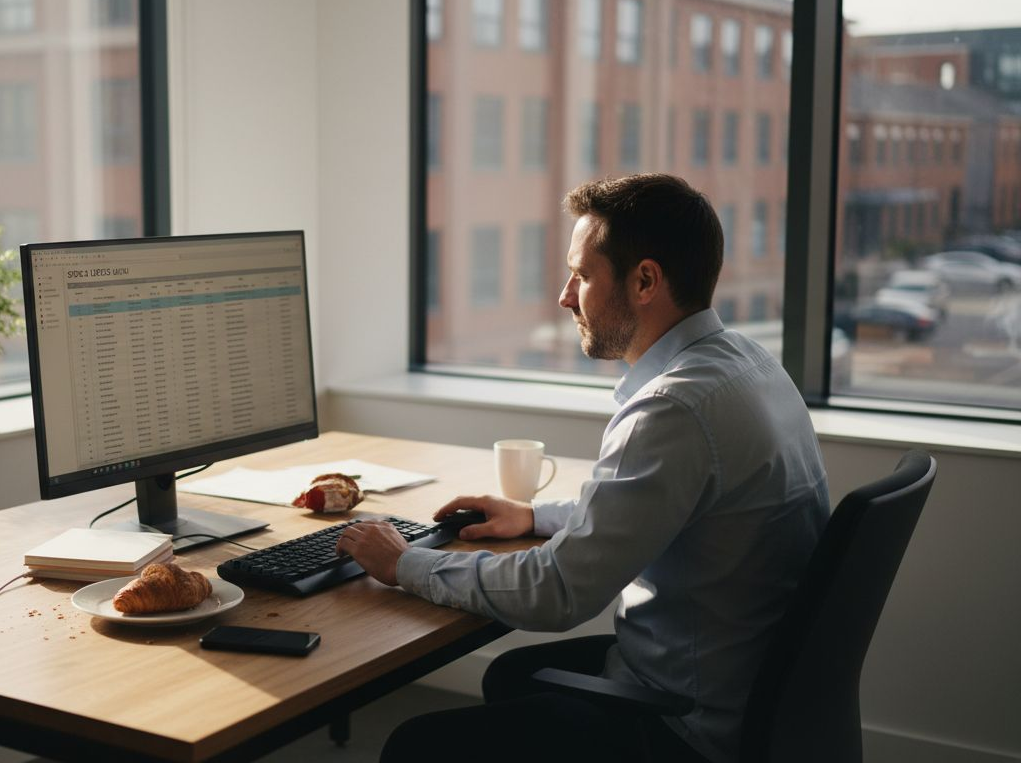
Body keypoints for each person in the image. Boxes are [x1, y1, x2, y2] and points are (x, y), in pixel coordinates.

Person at [336, 173, 830, 763]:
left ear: (645, 281)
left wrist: (404, 563)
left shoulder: (673, 407)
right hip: (746, 694)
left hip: (685, 724)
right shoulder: (748, 363)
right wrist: (534, 517)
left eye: (583, 275)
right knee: (513, 676)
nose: (566, 296)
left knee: (415, 746)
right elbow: (661, 506)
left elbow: (557, 593)